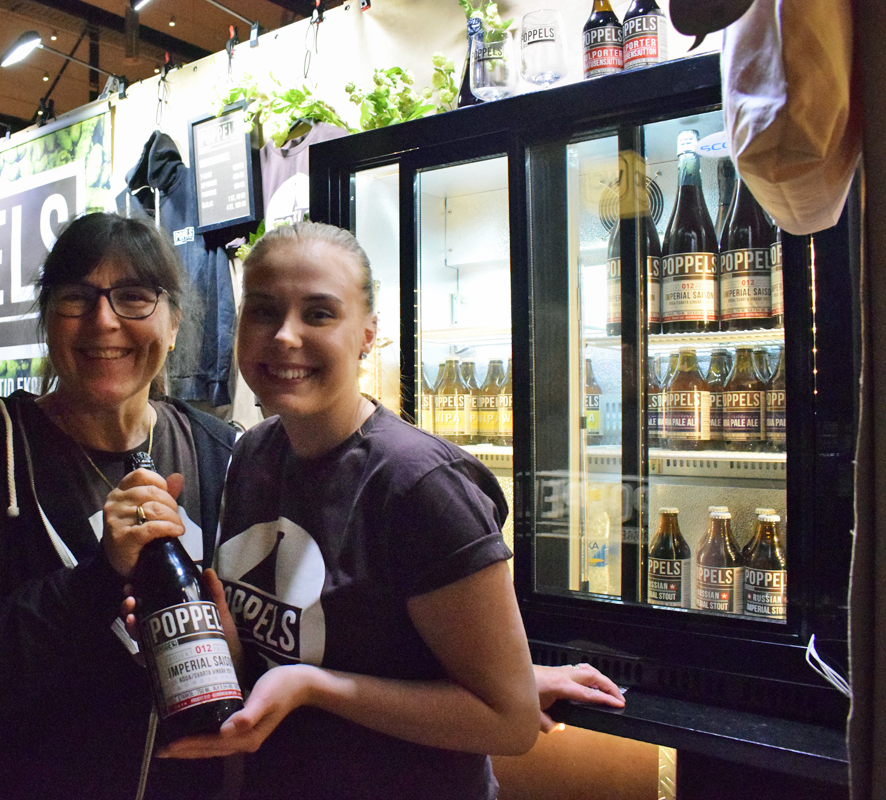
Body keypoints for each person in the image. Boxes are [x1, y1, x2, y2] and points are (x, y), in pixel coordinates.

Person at [158, 221, 625, 799]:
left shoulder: (420, 484)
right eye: (263, 311)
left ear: (367, 334)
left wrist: (313, 687)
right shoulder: (254, 452)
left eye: (319, 314)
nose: (284, 335)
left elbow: (508, 722)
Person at [0, 212, 237, 800]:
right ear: (47, 320)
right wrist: (98, 580)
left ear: (173, 324)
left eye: (134, 297)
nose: (104, 320)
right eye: (76, 298)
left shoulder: (219, 453)